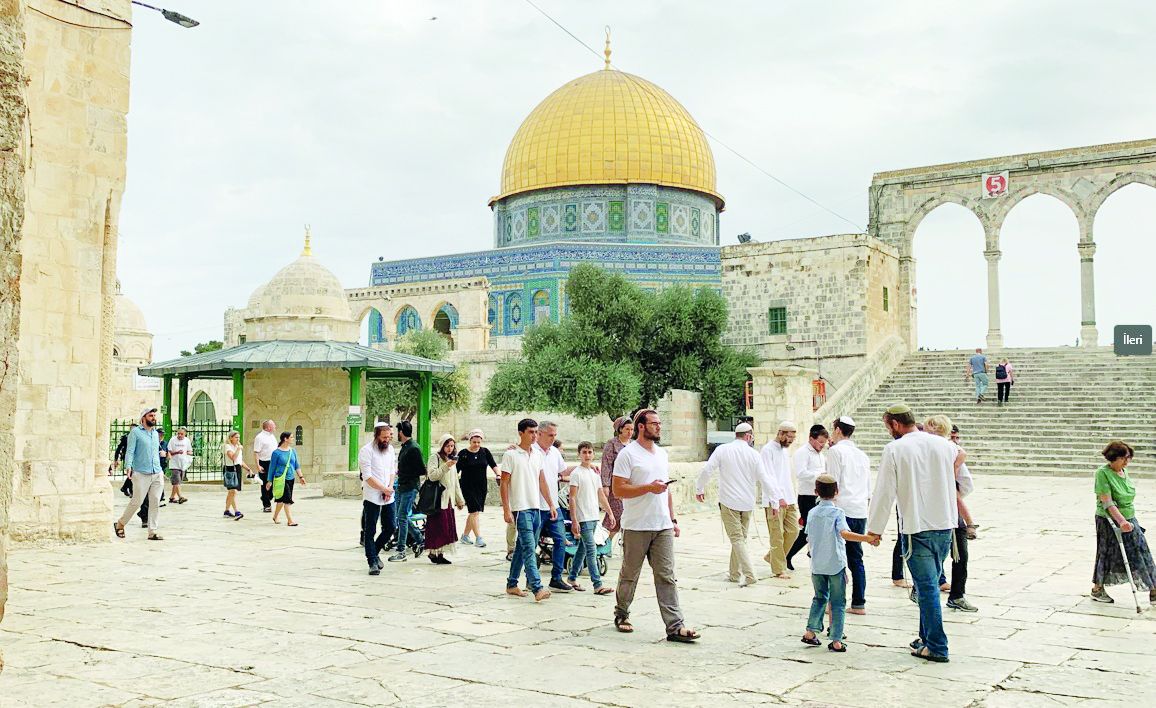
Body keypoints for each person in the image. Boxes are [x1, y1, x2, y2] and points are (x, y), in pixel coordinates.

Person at [866, 404, 958, 663]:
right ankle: (925, 638)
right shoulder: (944, 445)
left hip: (917, 528)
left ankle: (938, 646)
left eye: (887, 426)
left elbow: (885, 492)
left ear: (894, 424)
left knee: (927, 589)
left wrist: (875, 530)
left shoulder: (895, 449)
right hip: (944, 526)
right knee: (924, 585)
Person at [612, 409, 700, 642]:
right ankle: (621, 613)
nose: (659, 427)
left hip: (662, 525)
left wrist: (673, 519)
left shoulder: (661, 454)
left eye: (660, 423)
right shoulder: (627, 455)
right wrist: (647, 488)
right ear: (641, 426)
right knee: (630, 574)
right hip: (636, 525)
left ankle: (675, 626)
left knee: (667, 576)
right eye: (654, 423)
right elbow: (618, 489)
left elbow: (665, 489)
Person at [801, 475, 879, 652]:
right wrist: (867, 538)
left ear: (816, 492)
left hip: (817, 565)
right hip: (835, 564)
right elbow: (844, 533)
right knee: (837, 602)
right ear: (837, 492)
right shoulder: (838, 513)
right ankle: (836, 639)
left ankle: (810, 632)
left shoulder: (812, 513)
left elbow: (808, 536)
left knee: (819, 598)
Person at [695, 422, 779, 587]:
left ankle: (749, 574)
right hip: (747, 503)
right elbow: (764, 478)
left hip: (729, 501)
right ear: (748, 436)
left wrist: (700, 487)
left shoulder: (723, 450)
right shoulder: (754, 454)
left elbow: (707, 469)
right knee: (740, 539)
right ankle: (734, 574)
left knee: (737, 539)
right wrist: (774, 501)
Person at [1091, 440, 1156, 604]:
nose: (1127, 462)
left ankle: (1154, 589)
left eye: (1128, 458)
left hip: (1130, 519)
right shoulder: (1102, 473)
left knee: (1142, 551)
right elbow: (1107, 501)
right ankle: (1097, 589)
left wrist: (1127, 520)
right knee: (1106, 554)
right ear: (1113, 458)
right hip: (1109, 520)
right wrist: (1121, 521)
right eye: (1123, 458)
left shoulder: (1123, 471)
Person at [925, 416, 977, 613]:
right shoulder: (949, 451)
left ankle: (954, 594)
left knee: (951, 555)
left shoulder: (945, 450)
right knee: (947, 555)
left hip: (941, 511)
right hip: (941, 510)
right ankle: (953, 594)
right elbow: (966, 483)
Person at [501, 418, 555, 602]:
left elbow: (542, 481)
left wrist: (551, 504)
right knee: (530, 548)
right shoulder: (511, 455)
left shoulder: (538, 455)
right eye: (531, 432)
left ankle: (512, 584)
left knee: (523, 547)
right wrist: (507, 510)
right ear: (521, 433)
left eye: (535, 432)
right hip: (521, 508)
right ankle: (537, 587)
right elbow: (504, 483)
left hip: (536, 508)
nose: (534, 436)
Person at [825, 416, 871, 614]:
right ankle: (859, 602)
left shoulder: (835, 452)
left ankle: (835, 602)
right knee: (856, 558)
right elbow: (868, 486)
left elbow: (832, 483)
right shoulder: (862, 455)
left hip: (841, 509)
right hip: (859, 509)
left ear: (837, 429)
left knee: (836, 558)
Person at [567, 441, 616, 594]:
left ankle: (572, 577)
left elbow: (600, 495)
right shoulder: (576, 474)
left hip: (594, 517)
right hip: (583, 518)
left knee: (582, 549)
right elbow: (572, 498)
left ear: (593, 454)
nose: (587, 455)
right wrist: (574, 519)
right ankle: (597, 584)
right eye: (584, 452)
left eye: (589, 452)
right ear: (579, 454)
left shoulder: (594, 475)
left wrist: (610, 512)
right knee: (591, 549)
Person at [113, 407, 165, 541]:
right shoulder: (135, 433)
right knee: (137, 501)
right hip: (141, 473)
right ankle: (120, 523)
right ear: (143, 418)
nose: (153, 418)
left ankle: (152, 531)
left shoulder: (154, 433)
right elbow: (130, 451)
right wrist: (128, 466)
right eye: (150, 416)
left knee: (155, 502)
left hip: (157, 472)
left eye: (154, 415)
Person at [534, 421, 572, 593]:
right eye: (550, 435)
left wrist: (585, 467)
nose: (553, 438)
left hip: (553, 507)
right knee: (530, 543)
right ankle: (529, 579)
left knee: (561, 540)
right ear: (540, 434)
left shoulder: (555, 452)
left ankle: (556, 578)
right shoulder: (531, 451)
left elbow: (562, 472)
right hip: (535, 506)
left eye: (555, 435)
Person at [786, 424, 828, 570]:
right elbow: (801, 473)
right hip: (807, 496)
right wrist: (820, 476)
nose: (822, 445)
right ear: (811, 438)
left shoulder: (821, 455)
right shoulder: (802, 452)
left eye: (824, 442)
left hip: (819, 497)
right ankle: (788, 555)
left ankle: (813, 552)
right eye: (820, 442)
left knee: (820, 529)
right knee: (807, 530)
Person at [759, 421, 798, 578]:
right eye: (789, 437)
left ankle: (772, 557)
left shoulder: (784, 451)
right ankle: (778, 569)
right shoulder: (767, 450)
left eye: (793, 438)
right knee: (777, 534)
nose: (790, 441)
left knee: (793, 531)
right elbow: (768, 476)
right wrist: (778, 497)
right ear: (780, 433)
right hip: (773, 500)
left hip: (789, 498)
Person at [359, 422, 396, 575]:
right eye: (384, 437)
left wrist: (389, 488)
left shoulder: (391, 449)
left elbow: (393, 470)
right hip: (372, 495)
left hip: (388, 494)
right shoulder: (366, 451)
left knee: (390, 527)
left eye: (389, 437)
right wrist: (383, 488)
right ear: (376, 436)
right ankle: (372, 561)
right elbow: (367, 476)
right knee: (370, 529)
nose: (387, 440)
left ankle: (375, 551)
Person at [425, 433, 466, 565]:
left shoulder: (452, 460)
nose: (449, 448)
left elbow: (455, 483)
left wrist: (459, 500)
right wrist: (445, 466)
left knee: (445, 527)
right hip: (438, 500)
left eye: (452, 446)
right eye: (447, 446)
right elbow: (432, 476)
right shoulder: (435, 458)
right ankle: (433, 552)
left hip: (448, 501)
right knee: (437, 526)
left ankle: (440, 553)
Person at [389, 420, 426, 562]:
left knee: (402, 517)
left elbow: (421, 469)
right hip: (401, 486)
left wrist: (405, 472)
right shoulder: (405, 447)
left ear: (401, 432)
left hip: (409, 487)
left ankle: (401, 550)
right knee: (400, 517)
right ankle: (419, 539)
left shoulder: (413, 448)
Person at [457, 429, 498, 548]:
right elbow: (456, 471)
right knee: (474, 511)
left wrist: (498, 474)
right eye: (474, 442)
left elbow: (493, 465)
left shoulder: (485, 452)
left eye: (478, 442)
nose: (476, 445)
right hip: (467, 486)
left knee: (474, 512)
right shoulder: (463, 453)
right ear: (470, 441)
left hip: (481, 486)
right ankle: (478, 538)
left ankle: (465, 535)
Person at [601, 416, 634, 551]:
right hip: (616, 486)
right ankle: (604, 542)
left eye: (632, 429)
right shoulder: (612, 444)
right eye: (627, 429)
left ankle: (612, 543)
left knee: (626, 516)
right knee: (615, 515)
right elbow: (606, 465)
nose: (630, 432)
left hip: (630, 486)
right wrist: (605, 485)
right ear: (620, 429)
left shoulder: (633, 445)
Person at [266, 431, 305, 526]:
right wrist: (269, 481)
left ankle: (275, 516)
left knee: (281, 500)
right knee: (287, 499)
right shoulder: (276, 453)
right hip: (280, 478)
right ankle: (290, 520)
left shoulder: (293, 451)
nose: (293, 439)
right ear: (285, 439)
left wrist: (301, 477)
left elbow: (296, 465)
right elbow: (272, 467)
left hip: (290, 478)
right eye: (291, 437)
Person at [222, 430, 250, 520]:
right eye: (236, 437)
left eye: (238, 437)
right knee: (233, 491)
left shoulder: (237, 446)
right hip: (230, 469)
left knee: (231, 492)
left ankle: (226, 511)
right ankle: (236, 511)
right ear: (231, 438)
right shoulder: (227, 446)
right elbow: (233, 457)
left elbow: (239, 460)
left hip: (237, 468)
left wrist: (248, 469)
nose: (238, 439)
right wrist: (238, 449)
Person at [253, 420, 278, 513]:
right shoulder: (259, 437)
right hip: (264, 463)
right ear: (268, 427)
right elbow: (256, 452)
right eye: (273, 425)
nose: (275, 426)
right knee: (265, 484)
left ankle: (265, 497)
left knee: (273, 483)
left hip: (274, 463)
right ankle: (266, 505)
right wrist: (258, 465)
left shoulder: (272, 436)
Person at [167, 427, 193, 504]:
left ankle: (172, 497)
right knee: (177, 481)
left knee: (177, 482)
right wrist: (177, 452)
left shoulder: (187, 440)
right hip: (174, 464)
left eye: (181, 434)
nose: (180, 435)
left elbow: (190, 451)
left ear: (185, 434)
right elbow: (169, 451)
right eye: (178, 433)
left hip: (183, 464)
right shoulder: (173, 440)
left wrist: (188, 453)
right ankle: (180, 497)